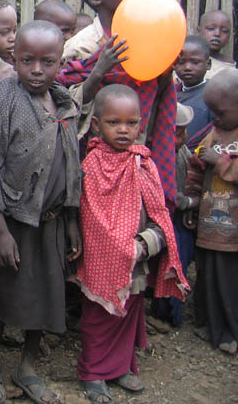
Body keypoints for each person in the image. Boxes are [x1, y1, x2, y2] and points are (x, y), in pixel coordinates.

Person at [0, 21, 82, 404]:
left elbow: (72, 165)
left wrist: (72, 220)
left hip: (51, 221)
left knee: (46, 294)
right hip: (15, 220)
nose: (36, 70)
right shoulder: (7, 94)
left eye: (47, 62)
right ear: (13, 59)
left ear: (60, 62)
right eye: (27, 61)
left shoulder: (66, 102)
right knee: (4, 293)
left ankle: (28, 367)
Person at [76, 84, 188, 404]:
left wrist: (145, 242)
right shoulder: (92, 164)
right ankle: (94, 372)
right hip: (102, 258)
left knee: (129, 312)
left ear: (141, 123)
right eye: (114, 123)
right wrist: (118, 247)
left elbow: (158, 210)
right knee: (100, 316)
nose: (123, 130)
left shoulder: (143, 162)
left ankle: (122, 366)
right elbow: (92, 216)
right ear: (97, 124)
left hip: (139, 252)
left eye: (131, 123)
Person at [59, 0, 178, 208]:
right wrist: (100, 69)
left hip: (139, 152)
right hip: (92, 159)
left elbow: (159, 95)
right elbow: (66, 103)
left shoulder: (149, 36)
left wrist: (166, 72)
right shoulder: (84, 45)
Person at [184, 69, 238, 355]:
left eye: (220, 113)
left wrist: (220, 162)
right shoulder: (216, 132)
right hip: (209, 222)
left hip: (237, 227)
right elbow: (197, 165)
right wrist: (192, 200)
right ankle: (209, 324)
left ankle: (234, 331)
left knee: (231, 279)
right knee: (208, 273)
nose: (215, 119)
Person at [152, 103, 197, 327]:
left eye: (183, 131)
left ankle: (172, 312)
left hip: (179, 220)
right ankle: (164, 313)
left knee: (180, 264)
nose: (182, 137)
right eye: (176, 132)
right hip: (167, 221)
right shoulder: (159, 157)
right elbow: (172, 196)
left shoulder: (184, 152)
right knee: (168, 265)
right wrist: (192, 202)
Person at [174, 35, 213, 149]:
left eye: (195, 62)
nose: (187, 67)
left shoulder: (213, 94)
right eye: (181, 62)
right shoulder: (171, 93)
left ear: (208, 64)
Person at [199, 10, 236, 79]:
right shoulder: (189, 58)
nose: (217, 34)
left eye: (224, 31)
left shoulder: (228, 65)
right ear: (199, 31)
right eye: (211, 29)